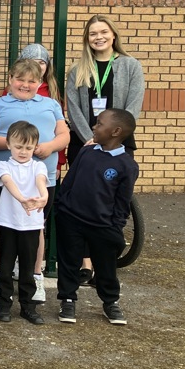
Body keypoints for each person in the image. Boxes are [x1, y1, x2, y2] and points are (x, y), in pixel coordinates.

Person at [65, 16, 145, 284]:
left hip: (118, 143)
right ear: (86, 39)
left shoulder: (130, 66)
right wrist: (91, 138)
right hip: (85, 144)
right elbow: (73, 107)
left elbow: (132, 106)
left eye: (103, 32)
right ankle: (86, 263)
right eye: (92, 33)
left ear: (113, 35)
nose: (98, 37)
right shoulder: (78, 70)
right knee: (84, 201)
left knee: (111, 202)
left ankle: (105, 261)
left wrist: (115, 138)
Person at [0, 59, 69, 304]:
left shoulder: (51, 104)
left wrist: (47, 147)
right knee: (7, 226)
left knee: (37, 226)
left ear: (39, 83)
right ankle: (3, 276)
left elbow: (64, 135)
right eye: (20, 79)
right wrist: (22, 147)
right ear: (10, 79)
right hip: (8, 177)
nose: (25, 85)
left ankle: (35, 275)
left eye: (32, 81)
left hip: (43, 176)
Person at [55, 109, 139, 325]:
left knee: (106, 266)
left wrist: (115, 227)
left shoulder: (127, 165)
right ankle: (67, 299)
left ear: (116, 131)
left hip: (102, 226)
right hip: (71, 219)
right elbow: (69, 181)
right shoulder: (87, 152)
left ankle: (110, 302)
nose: (94, 127)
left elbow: (123, 201)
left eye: (100, 124)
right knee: (69, 261)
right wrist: (62, 207)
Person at [0, 121, 49, 325]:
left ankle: (28, 306)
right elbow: (8, 183)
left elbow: (41, 182)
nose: (23, 151)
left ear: (35, 147)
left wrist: (43, 197)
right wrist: (22, 200)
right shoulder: (3, 165)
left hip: (31, 226)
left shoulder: (39, 165)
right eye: (18, 146)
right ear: (8, 144)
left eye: (28, 147)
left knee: (28, 268)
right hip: (9, 224)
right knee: (5, 267)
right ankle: (4, 304)